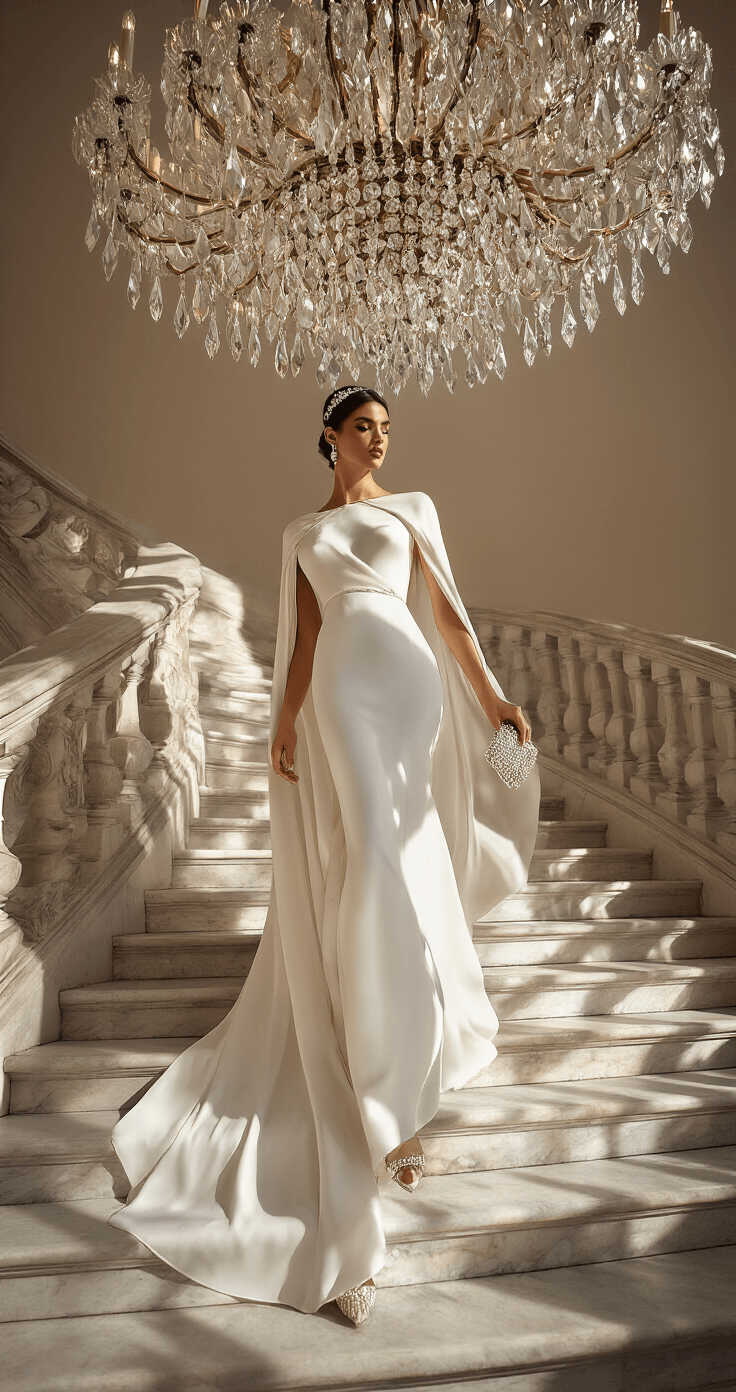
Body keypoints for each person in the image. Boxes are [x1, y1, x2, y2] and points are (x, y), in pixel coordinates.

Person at [108, 386, 540, 1326]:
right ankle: (378, 1086)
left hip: (409, 683)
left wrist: (497, 697)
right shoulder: (303, 531)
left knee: (399, 850)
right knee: (372, 859)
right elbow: (301, 639)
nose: (379, 440)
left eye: (387, 429)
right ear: (330, 438)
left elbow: (451, 617)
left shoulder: (414, 511)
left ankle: (398, 1086)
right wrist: (288, 718)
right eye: (363, 428)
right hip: (341, 690)